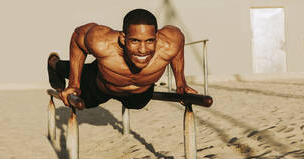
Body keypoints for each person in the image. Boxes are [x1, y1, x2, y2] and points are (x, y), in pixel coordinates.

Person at [47, 8, 197, 110]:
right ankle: (54, 64)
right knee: (85, 81)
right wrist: (74, 83)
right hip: (100, 87)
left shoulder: (171, 41)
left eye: (149, 41)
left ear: (157, 37)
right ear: (123, 38)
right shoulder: (101, 41)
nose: (143, 50)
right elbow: (77, 37)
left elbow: (177, 52)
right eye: (135, 41)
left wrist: (181, 84)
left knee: (137, 105)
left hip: (139, 96)